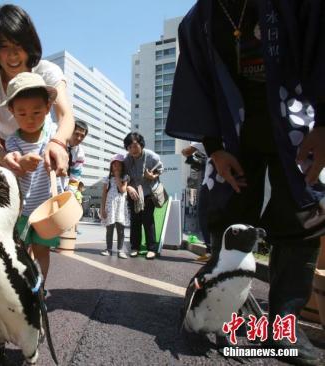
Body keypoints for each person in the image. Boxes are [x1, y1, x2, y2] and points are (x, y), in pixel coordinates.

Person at [166, 1, 325, 363]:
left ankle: (284, 326)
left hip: (295, 123)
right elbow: (197, 83)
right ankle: (223, 313)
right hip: (234, 131)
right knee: (229, 214)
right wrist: (215, 149)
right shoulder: (199, 20)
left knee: (301, 216)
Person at [0, 4, 74, 178]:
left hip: (44, 142)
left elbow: (65, 116)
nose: (13, 55)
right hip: (5, 149)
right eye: (4, 46)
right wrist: (6, 157)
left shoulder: (48, 71)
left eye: (18, 45)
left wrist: (58, 142)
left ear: (29, 44)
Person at [3, 72, 61, 283]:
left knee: (42, 251)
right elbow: (14, 163)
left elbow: (64, 149)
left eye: (37, 112)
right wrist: (21, 164)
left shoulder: (53, 132)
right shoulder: (13, 141)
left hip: (46, 209)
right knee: (20, 249)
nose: (30, 118)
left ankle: (39, 287)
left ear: (48, 108)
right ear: (12, 111)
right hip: (22, 209)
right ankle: (22, 285)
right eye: (22, 113)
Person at [123, 133, 164, 259]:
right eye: (129, 147)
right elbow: (124, 177)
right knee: (135, 221)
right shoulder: (127, 159)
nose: (132, 150)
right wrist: (128, 187)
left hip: (148, 193)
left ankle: (151, 248)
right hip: (134, 194)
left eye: (135, 146)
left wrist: (153, 176)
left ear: (141, 145)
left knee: (148, 220)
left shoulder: (152, 156)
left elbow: (161, 168)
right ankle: (134, 247)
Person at [181, 142, 210, 261]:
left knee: (204, 215)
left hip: (211, 181)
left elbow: (186, 151)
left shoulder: (206, 138)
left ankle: (211, 250)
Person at [100, 154, 129, 259]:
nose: (116, 167)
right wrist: (102, 209)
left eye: (118, 165)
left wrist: (117, 177)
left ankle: (120, 250)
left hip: (120, 208)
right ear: (111, 166)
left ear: (122, 166)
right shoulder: (106, 179)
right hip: (110, 207)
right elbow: (104, 194)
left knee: (121, 230)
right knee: (109, 229)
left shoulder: (125, 178)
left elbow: (123, 190)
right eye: (114, 165)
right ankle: (109, 249)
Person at [66, 120, 88, 192]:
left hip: (65, 187)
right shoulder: (60, 143)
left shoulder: (80, 153)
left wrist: (70, 193)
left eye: (82, 136)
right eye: (77, 134)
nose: (79, 138)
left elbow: (75, 176)